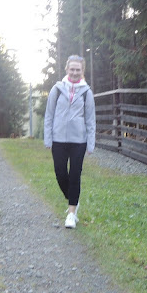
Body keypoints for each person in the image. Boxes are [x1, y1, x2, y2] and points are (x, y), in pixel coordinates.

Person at [44, 54, 96, 228]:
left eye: (78, 70)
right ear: (67, 69)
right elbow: (49, 115)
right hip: (58, 139)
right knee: (60, 173)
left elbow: (90, 119)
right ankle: (73, 198)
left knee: (75, 175)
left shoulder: (86, 92)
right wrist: (48, 138)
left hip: (78, 141)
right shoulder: (57, 89)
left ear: (82, 71)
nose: (74, 72)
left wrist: (91, 143)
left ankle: (71, 214)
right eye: (72, 69)